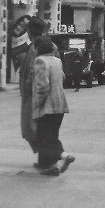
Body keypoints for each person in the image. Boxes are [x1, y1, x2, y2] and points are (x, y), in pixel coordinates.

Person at [32, 36, 74, 176]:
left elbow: (42, 86)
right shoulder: (57, 61)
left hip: (47, 107)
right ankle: (51, 167)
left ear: (38, 48)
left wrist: (36, 104)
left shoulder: (40, 61)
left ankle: (63, 155)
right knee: (51, 135)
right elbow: (63, 77)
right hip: (60, 105)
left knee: (44, 138)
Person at [19, 16, 47, 152]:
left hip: (33, 92)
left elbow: (31, 70)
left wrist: (26, 88)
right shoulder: (49, 45)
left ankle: (48, 154)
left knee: (30, 127)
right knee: (38, 126)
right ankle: (45, 155)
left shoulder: (34, 47)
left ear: (30, 31)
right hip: (44, 91)